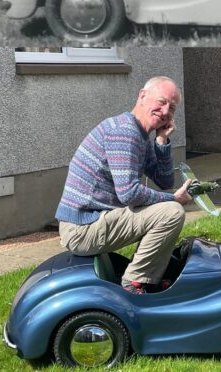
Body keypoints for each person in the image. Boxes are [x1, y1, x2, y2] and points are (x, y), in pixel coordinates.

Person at [55, 76, 192, 294]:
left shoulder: (139, 134)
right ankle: (135, 284)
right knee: (171, 212)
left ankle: (148, 278)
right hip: (82, 228)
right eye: (162, 101)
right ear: (142, 96)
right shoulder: (124, 132)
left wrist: (162, 141)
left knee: (166, 209)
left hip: (93, 221)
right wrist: (173, 199)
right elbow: (129, 193)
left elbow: (165, 180)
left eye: (172, 108)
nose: (166, 111)